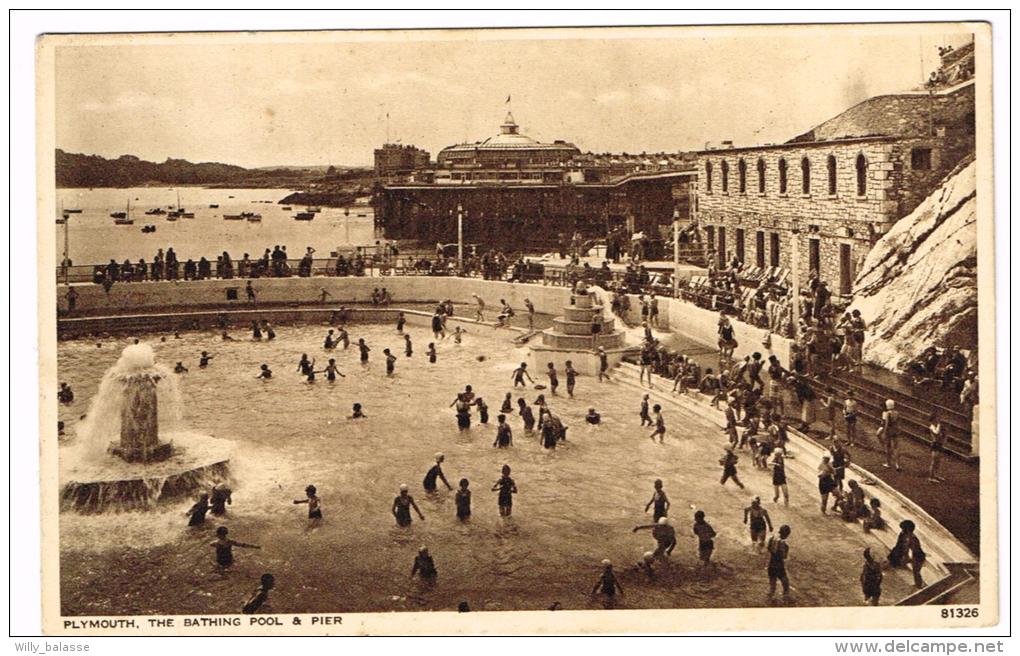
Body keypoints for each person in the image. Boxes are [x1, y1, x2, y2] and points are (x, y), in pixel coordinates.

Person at [888, 520, 926, 588]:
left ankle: (919, 585)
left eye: (903, 529)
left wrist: (908, 558)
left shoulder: (913, 539)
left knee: (916, 571)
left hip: (918, 556)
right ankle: (918, 584)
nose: (902, 531)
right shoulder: (904, 535)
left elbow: (913, 550)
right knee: (915, 572)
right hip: (914, 555)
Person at [766, 525, 792, 602]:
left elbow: (768, 549)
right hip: (779, 564)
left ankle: (770, 597)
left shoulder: (772, 538)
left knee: (772, 583)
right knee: (785, 581)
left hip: (771, 563)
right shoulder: (785, 545)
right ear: (787, 534)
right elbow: (784, 556)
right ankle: (785, 596)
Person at [880, 399, 902, 471]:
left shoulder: (888, 413)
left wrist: (884, 432)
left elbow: (887, 424)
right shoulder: (897, 413)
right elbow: (899, 423)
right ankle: (897, 464)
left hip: (889, 431)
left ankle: (888, 463)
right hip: (896, 430)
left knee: (888, 447)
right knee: (896, 447)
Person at [928, 413, 947, 483]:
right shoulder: (932, 427)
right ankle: (931, 477)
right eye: (936, 418)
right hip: (935, 444)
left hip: (939, 444)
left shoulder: (937, 426)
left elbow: (942, 434)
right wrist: (939, 425)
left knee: (938, 461)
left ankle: (936, 474)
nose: (938, 420)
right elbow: (936, 433)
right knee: (934, 461)